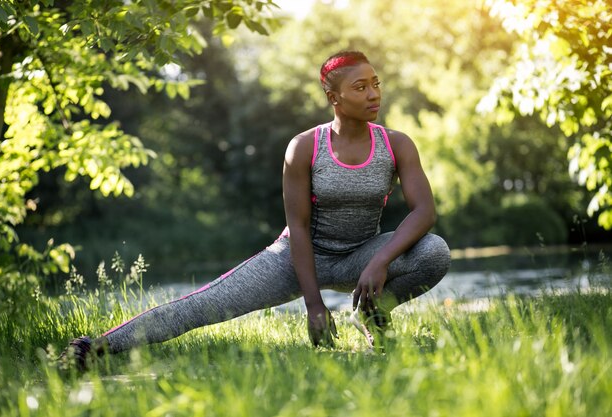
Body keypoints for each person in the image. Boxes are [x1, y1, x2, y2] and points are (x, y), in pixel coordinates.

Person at [59, 50, 451, 370]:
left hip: (360, 255)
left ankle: (369, 315)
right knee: (203, 305)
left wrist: (379, 260)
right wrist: (313, 305)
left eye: (376, 84)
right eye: (360, 87)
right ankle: (94, 348)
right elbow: (296, 227)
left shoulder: (396, 144)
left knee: (434, 251)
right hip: (295, 257)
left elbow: (424, 212)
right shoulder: (303, 147)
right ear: (334, 98)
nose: (373, 94)